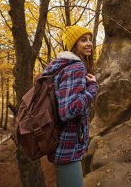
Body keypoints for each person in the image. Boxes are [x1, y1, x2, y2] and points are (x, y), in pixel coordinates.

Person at [42, 25, 99, 187]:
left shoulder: (61, 66)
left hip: (59, 144)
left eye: (90, 40)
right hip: (68, 148)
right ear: (74, 44)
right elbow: (68, 111)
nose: (89, 44)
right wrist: (93, 88)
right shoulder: (76, 67)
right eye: (83, 40)